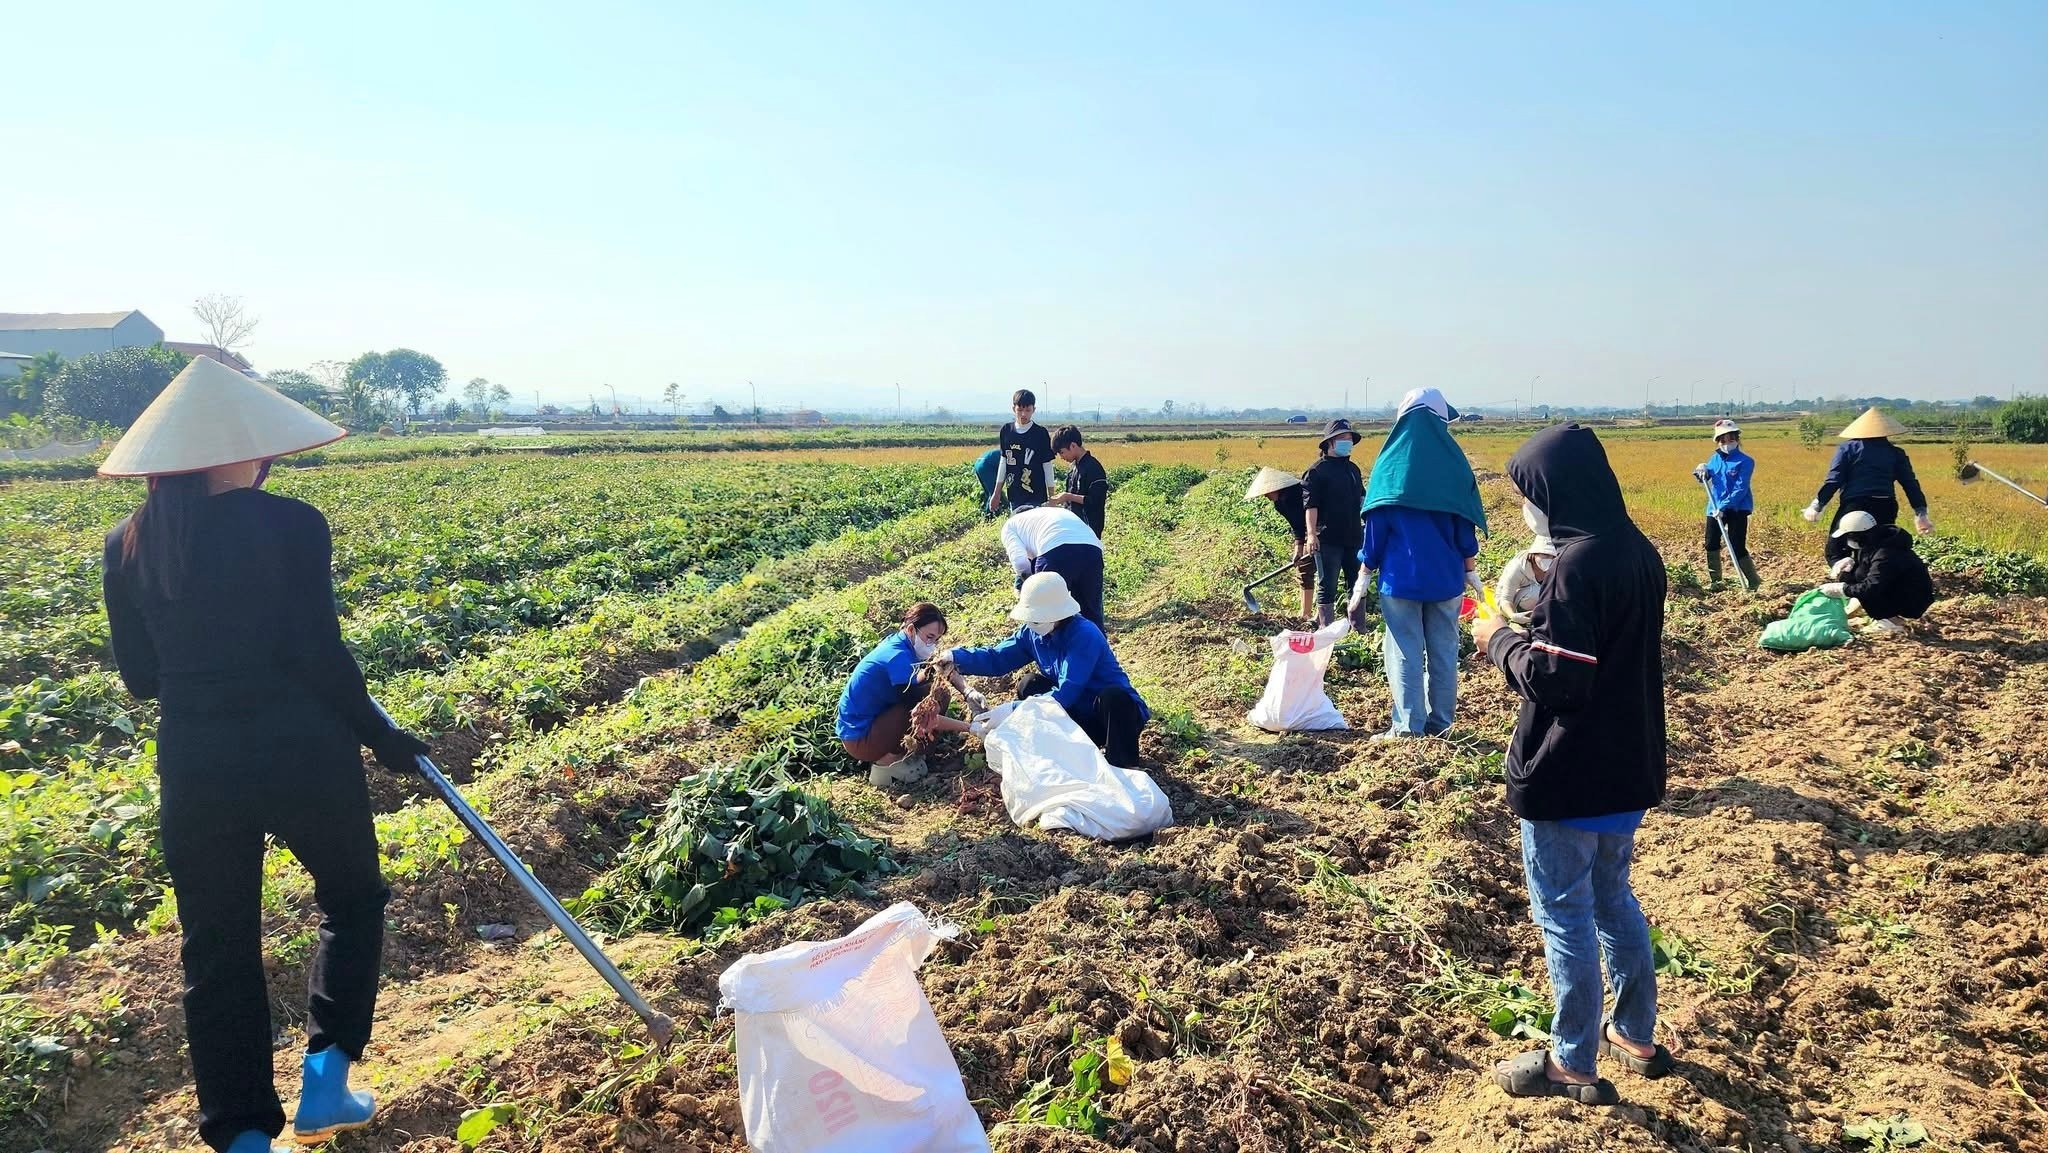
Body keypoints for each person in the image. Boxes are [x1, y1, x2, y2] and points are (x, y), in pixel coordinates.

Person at [96, 358, 431, 1153]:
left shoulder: (129, 542)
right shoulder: (290, 523)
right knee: (351, 899)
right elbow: (320, 653)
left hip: (197, 763)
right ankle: (327, 1077)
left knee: (216, 947)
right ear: (242, 448)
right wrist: (383, 737)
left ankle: (243, 1134)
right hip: (302, 752)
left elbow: (142, 680)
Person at [1471, 424, 1669, 1106]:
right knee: (1614, 899)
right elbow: (1599, 656)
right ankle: (1636, 1033)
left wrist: (1498, 640)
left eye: (1530, 494)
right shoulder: (1636, 550)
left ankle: (1572, 1061)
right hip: (1626, 767)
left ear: (1555, 494)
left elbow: (1560, 682)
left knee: (1565, 915)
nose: (1528, 509)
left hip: (1571, 771)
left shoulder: (1580, 565)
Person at [1353, 389, 1485, 740]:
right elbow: (1463, 526)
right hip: (1446, 580)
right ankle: (1442, 725)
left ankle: (1408, 728)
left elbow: (1375, 531)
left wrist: (1363, 578)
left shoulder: (1389, 465)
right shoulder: (1454, 465)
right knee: (1443, 652)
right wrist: (1471, 571)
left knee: (1404, 653)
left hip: (1401, 581)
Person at [948, 573, 1149, 767]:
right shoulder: (1032, 633)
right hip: (1077, 716)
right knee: (1030, 684)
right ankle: (1062, 750)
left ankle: (1122, 765)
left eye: (1037, 618)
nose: (1032, 623)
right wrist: (956, 657)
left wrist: (1014, 709)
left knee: (1114, 697)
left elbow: (1067, 692)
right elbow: (997, 658)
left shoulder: (1084, 635)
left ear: (1059, 613)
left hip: (1112, 720)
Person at [837, 603, 981, 785]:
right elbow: (920, 713)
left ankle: (913, 751)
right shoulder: (896, 656)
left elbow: (937, 669)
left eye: (936, 639)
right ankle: (888, 759)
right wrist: (970, 728)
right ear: (912, 629)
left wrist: (967, 691)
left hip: (872, 723)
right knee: (929, 701)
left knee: (939, 693)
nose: (932, 645)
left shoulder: (902, 642)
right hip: (860, 739)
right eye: (929, 637)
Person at [1802, 407, 1931, 569]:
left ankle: (1846, 579)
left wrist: (1817, 505)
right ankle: (1873, 577)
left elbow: (1834, 480)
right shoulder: (1895, 453)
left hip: (1855, 505)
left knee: (1835, 550)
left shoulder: (1848, 449)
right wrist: (1921, 512)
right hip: (1885, 506)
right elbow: (1910, 483)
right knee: (1877, 547)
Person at [1818, 511, 1935, 638]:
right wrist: (1851, 565)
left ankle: (1891, 622)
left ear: (1858, 536)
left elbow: (1872, 586)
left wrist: (1842, 589)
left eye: (1849, 537)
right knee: (1852, 576)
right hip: (1899, 591)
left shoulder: (1886, 553)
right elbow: (1867, 571)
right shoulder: (1874, 544)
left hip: (1912, 601)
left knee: (1865, 589)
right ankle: (1885, 616)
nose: (1847, 541)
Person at [1300, 418, 1366, 627]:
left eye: (1349, 438)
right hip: (1328, 538)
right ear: (1330, 442)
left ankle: (1358, 626)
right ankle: (1325, 629)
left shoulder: (1353, 469)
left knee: (1356, 583)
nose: (1348, 442)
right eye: (1342, 438)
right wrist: (1311, 535)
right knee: (1327, 584)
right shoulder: (1317, 471)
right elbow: (1311, 505)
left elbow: (1363, 499)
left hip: (1354, 535)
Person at [1000, 504, 1106, 628]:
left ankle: (1056, 645)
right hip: (1092, 550)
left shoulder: (1010, 524)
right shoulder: (1056, 512)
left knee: (1050, 618)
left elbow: (1020, 562)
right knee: (1092, 612)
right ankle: (1097, 645)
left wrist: (1032, 586)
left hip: (1054, 551)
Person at [1694, 419, 1761, 592]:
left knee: (1736, 545)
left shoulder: (1746, 461)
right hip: (1714, 508)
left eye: (1730, 439)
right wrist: (1702, 470)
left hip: (1737, 509)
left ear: (1737, 439)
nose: (1726, 443)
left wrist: (1724, 507)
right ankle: (1716, 582)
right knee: (1711, 543)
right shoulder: (1714, 459)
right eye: (1722, 440)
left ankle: (1754, 582)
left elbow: (1740, 487)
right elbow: (1706, 475)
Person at [1243, 467, 1316, 621]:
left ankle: (1313, 615)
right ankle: (1305, 613)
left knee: (1315, 570)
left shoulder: (1300, 494)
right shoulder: (1280, 504)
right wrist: (1298, 549)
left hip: (1322, 531)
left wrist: (1312, 537)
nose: (1265, 496)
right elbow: (1297, 525)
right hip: (1309, 534)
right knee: (1303, 569)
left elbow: (1311, 517)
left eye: (1267, 492)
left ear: (1276, 487)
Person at [989, 389, 1055, 514]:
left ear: (1033, 410)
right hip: (1014, 494)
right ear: (1014, 408)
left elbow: (1047, 465)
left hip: (1036, 495)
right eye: (1020, 410)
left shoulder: (1040, 433)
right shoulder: (1006, 431)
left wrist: (1052, 496)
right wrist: (996, 493)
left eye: (1027, 410)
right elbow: (1004, 462)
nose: (1023, 414)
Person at [1044, 425, 1109, 537]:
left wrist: (1068, 496)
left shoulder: (1093, 468)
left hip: (1089, 530)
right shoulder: (1074, 468)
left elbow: (1096, 501)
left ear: (1073, 445)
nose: (1061, 457)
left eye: (1062, 452)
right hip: (1075, 527)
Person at [1495, 535, 1557, 626]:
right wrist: (1513, 615)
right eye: (1545, 555)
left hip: (1540, 598)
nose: (1549, 560)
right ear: (1534, 553)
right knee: (1537, 592)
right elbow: (1505, 598)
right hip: (1511, 601)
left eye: (1553, 556)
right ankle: (1525, 616)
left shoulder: (1557, 564)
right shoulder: (1518, 568)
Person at [972, 448, 1002, 516]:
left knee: (989, 493)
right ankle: (990, 516)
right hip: (986, 464)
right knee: (994, 494)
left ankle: (987, 513)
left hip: (978, 463)